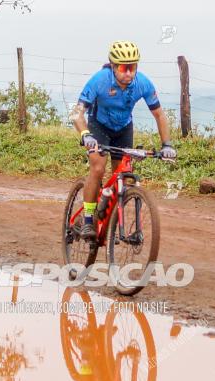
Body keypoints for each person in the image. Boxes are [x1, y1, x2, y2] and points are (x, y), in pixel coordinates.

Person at [71, 40, 176, 240]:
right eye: (123, 68)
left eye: (132, 67)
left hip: (123, 128)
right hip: (98, 127)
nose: (128, 73)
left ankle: (108, 209)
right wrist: (85, 135)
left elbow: (160, 115)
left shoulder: (142, 83)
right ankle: (87, 220)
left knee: (125, 177)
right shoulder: (100, 80)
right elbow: (77, 113)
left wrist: (167, 145)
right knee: (98, 168)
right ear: (113, 66)